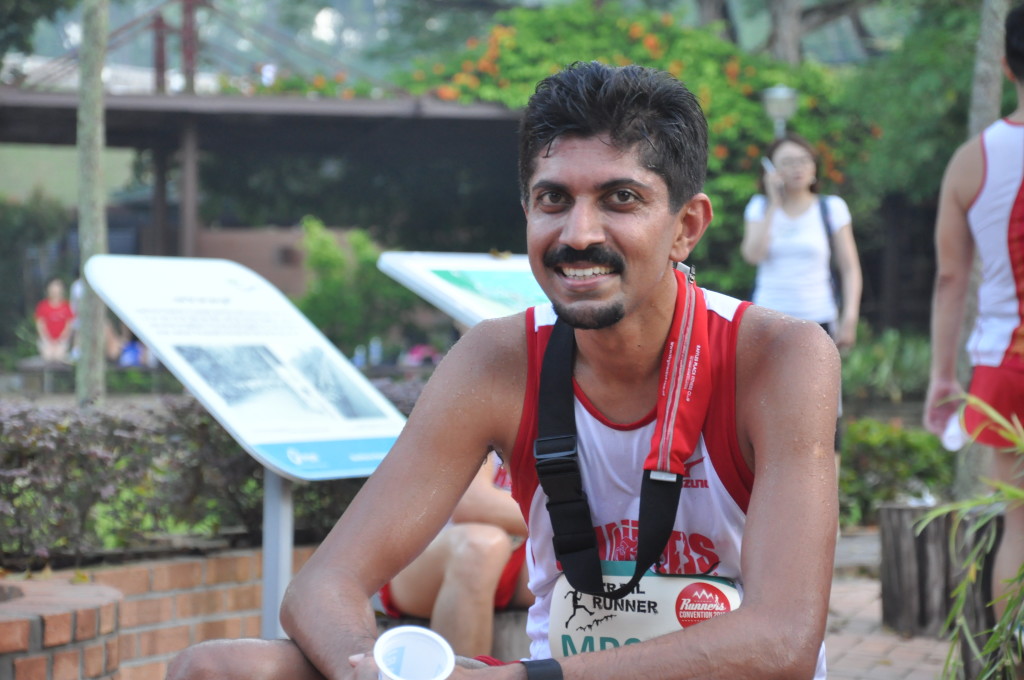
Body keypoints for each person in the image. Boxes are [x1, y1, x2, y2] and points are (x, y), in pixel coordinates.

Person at [167, 61, 839, 680]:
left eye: (620, 199)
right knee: (218, 667)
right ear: (527, 215)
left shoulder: (778, 358)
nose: (578, 233)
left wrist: (522, 679)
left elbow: (782, 640)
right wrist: (366, 671)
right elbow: (323, 585)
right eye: (553, 201)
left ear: (687, 226)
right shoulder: (498, 359)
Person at [924, 2, 1024, 637]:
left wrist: (941, 376)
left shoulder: (973, 158)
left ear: (1009, 63)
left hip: (1003, 367)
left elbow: (950, 277)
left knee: (1019, 521)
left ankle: (1012, 660)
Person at [740, 132, 863, 477]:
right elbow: (753, 254)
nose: (797, 169)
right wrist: (774, 202)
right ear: (772, 170)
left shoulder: (831, 208)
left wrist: (850, 315)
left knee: (824, 410)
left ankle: (829, 510)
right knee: (771, 407)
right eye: (787, 162)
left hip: (818, 320)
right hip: (768, 323)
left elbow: (850, 267)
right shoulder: (760, 207)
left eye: (803, 160)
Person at [376, 451, 533, 658]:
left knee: (584, 564)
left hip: (517, 556)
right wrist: (575, 519)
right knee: (480, 546)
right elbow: (473, 503)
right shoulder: (480, 419)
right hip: (426, 554)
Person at [35, 277, 75, 363]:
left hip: (62, 340)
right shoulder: (42, 306)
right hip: (47, 340)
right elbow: (40, 324)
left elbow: (69, 325)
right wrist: (47, 340)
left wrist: (60, 340)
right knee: (48, 356)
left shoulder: (67, 306)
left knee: (59, 356)